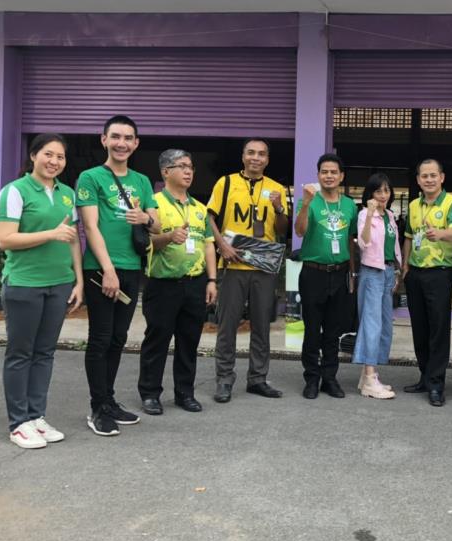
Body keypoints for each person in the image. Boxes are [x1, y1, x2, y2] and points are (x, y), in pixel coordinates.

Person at [0, 134, 84, 449]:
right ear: (33, 155)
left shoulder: (67, 194)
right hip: (24, 283)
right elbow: (5, 239)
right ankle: (18, 423)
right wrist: (51, 233)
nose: (54, 162)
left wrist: (78, 280)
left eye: (60, 157)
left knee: (45, 353)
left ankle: (36, 416)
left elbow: (72, 239)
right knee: (20, 353)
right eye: (48, 154)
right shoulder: (15, 191)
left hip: (59, 283)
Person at [77, 115, 159, 437]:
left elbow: (156, 222)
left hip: (131, 268)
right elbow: (90, 226)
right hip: (101, 269)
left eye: (128, 138)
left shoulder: (142, 180)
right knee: (100, 338)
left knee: (118, 338)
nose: (121, 143)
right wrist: (108, 269)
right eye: (115, 137)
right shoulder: (90, 177)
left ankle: (109, 401)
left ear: (136, 143)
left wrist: (145, 218)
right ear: (104, 140)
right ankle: (98, 407)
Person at [138, 150, 218, 416]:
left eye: (190, 167)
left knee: (189, 341)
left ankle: (185, 393)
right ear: (165, 172)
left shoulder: (199, 208)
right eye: (181, 166)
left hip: (195, 283)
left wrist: (212, 280)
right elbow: (146, 242)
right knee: (157, 340)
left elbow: (208, 245)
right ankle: (150, 394)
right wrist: (169, 237)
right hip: (163, 284)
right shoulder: (154, 204)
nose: (188, 171)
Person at [209, 138, 289, 403]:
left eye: (261, 154)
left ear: (267, 159)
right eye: (251, 153)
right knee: (227, 324)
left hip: (263, 267)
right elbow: (209, 217)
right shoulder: (226, 183)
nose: (256, 158)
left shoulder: (277, 188)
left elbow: (282, 229)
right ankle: (224, 379)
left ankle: (257, 378)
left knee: (262, 325)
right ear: (243, 156)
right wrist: (222, 246)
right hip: (233, 264)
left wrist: (279, 208)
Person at [401, 159, 452, 407]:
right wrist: (405, 267)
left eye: (433, 175)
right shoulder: (414, 205)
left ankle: (437, 383)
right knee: (420, 328)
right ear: (418, 180)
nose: (429, 180)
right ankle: (425, 377)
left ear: (442, 177)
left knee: (438, 329)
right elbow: (408, 237)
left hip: (439, 273)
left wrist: (440, 234)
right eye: (424, 176)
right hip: (415, 273)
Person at [294, 153, 358, 400]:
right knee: (312, 330)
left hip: (339, 273)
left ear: (341, 176)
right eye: (324, 172)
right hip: (313, 273)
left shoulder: (350, 205)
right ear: (318, 175)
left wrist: (352, 272)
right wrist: (306, 205)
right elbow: (300, 231)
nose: (329, 176)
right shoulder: (309, 200)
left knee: (333, 331)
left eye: (333, 172)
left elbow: (350, 240)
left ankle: (330, 378)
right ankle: (312, 378)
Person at [353, 173, 402, 400]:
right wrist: (370, 213)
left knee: (384, 325)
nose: (383, 195)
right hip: (372, 272)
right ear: (370, 194)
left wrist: (397, 270)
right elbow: (363, 243)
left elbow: (394, 246)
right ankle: (370, 379)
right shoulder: (365, 214)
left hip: (388, 271)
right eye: (378, 191)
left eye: (386, 190)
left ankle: (367, 376)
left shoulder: (390, 215)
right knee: (371, 324)